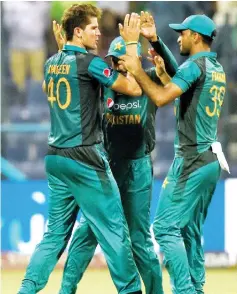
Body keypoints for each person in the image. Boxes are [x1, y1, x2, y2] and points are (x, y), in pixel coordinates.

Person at [18, 5, 143, 294]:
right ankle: (131, 291)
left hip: (56, 158)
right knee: (114, 230)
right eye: (92, 28)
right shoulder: (91, 63)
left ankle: (25, 290)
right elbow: (133, 89)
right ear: (77, 31)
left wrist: (65, 53)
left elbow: (53, 85)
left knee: (53, 236)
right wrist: (133, 46)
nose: (99, 32)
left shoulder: (51, 63)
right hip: (85, 157)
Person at [119, 13, 229, 294]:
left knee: (166, 228)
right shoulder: (214, 67)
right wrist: (155, 40)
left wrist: (137, 69)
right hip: (210, 160)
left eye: (182, 33)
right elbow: (183, 75)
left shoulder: (195, 66)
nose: (178, 37)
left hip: (191, 160)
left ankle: (185, 290)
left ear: (195, 36)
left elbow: (160, 96)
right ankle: (197, 288)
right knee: (190, 232)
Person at [55, 34, 168, 294]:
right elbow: (70, 83)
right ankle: (65, 291)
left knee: (139, 240)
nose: (117, 66)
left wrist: (158, 50)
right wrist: (64, 54)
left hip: (138, 168)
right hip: (106, 166)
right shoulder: (103, 81)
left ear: (135, 58)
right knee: (86, 234)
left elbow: (174, 79)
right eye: (114, 61)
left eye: (122, 60)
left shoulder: (150, 77)